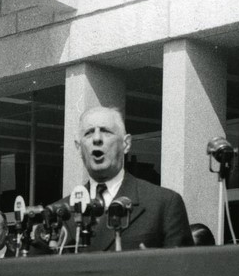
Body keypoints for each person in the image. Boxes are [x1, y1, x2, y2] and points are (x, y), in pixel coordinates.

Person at [66, 106, 192, 252]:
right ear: (78, 147)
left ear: (126, 144)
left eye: (106, 131)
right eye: (89, 133)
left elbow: (181, 265)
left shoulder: (164, 204)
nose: (97, 139)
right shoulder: (59, 214)